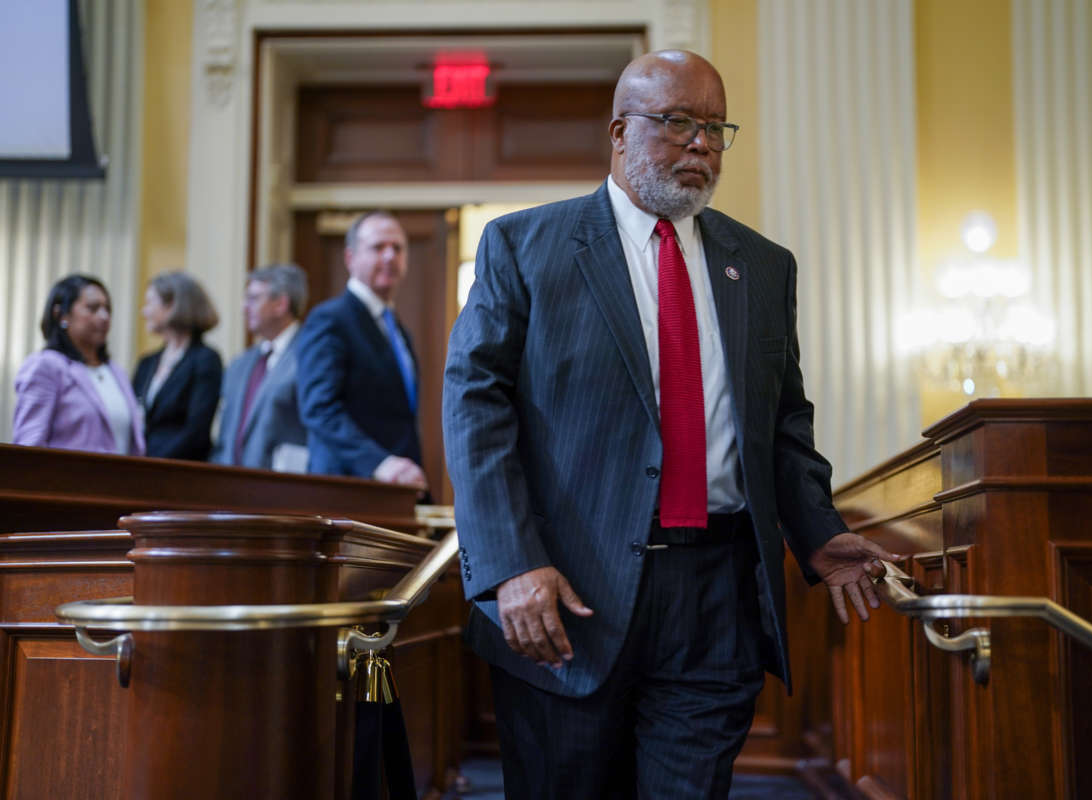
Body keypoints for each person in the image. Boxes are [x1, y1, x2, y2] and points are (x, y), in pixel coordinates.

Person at [443, 50, 901, 799]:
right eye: (678, 123)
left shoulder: (761, 264)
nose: (702, 145)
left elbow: (782, 423)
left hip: (714, 593)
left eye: (716, 128)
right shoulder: (525, 247)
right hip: (566, 594)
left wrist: (817, 531)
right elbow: (474, 405)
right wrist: (508, 564)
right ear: (620, 133)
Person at [296, 211, 425, 488]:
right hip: (346, 489)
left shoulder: (400, 331)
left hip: (395, 491)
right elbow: (319, 409)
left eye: (398, 248)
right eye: (378, 247)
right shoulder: (329, 319)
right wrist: (378, 462)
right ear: (350, 258)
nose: (390, 256)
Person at [12, 274, 145, 455]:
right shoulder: (46, 366)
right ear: (61, 315)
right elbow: (28, 447)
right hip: (65, 482)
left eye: (107, 309)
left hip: (122, 482)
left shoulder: (116, 372)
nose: (104, 316)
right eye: (93, 308)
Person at [210, 263, 309, 471]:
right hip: (228, 491)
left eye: (253, 298)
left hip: (284, 491)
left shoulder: (310, 356)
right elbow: (225, 437)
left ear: (281, 304)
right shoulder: (239, 365)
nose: (243, 308)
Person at [132, 271, 223, 461]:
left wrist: (155, 463)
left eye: (150, 303)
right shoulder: (147, 363)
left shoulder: (205, 359)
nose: (144, 311)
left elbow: (196, 431)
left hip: (181, 471)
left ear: (173, 305)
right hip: (141, 468)